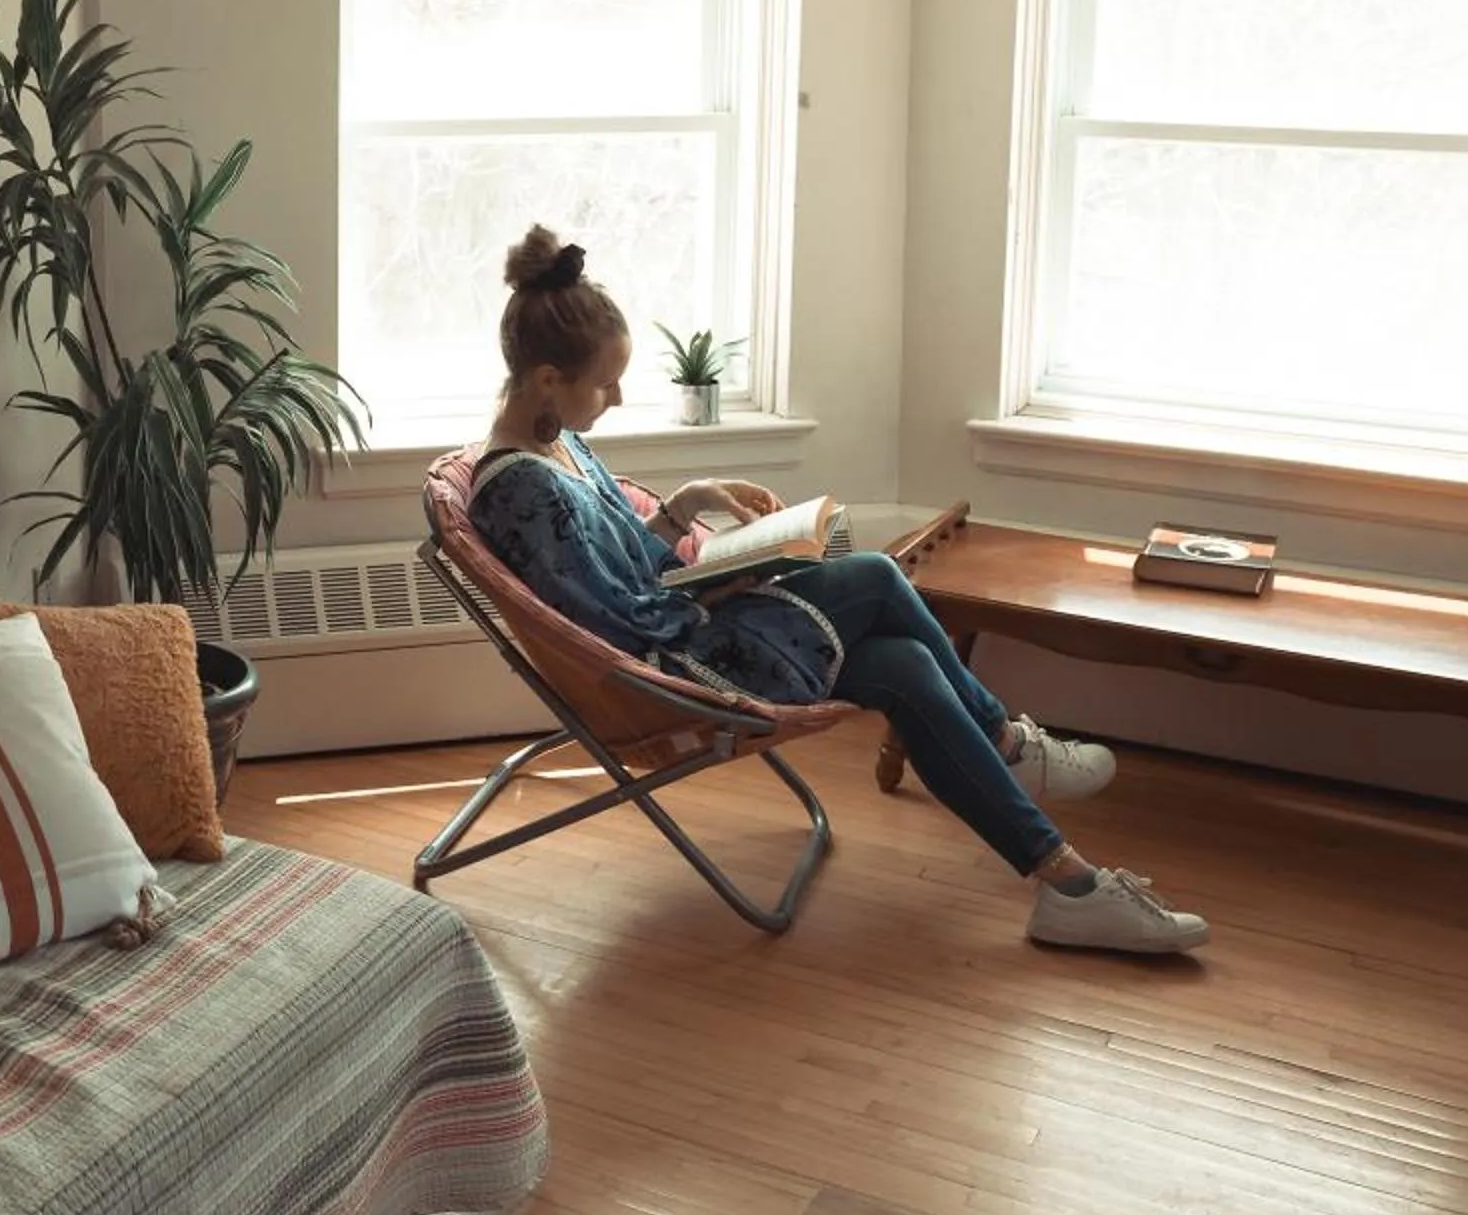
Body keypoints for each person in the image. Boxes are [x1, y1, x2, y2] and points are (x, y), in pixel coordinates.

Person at [467, 226, 1208, 955]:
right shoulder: (521, 493)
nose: (618, 398)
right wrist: (717, 591)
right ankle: (1008, 741)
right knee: (879, 575)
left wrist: (683, 509)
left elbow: (626, 573)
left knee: (906, 670)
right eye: (605, 382)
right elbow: (615, 630)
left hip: (686, 629)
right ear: (547, 381)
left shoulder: (556, 442)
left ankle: (1068, 887)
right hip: (677, 673)